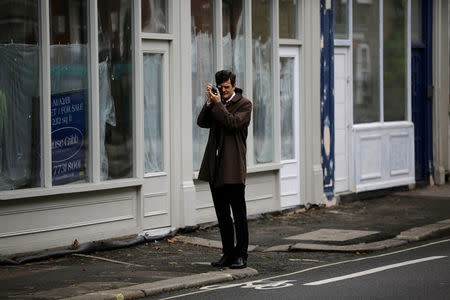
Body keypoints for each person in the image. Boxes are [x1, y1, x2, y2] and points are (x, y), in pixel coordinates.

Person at [197, 70, 252, 269]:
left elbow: (232, 123)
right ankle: (228, 253)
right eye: (221, 87)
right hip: (216, 168)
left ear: (235, 85)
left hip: (233, 168)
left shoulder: (244, 104)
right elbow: (201, 122)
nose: (224, 90)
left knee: (238, 215)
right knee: (222, 216)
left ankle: (241, 255)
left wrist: (219, 104)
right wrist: (210, 102)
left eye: (227, 87)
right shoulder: (217, 103)